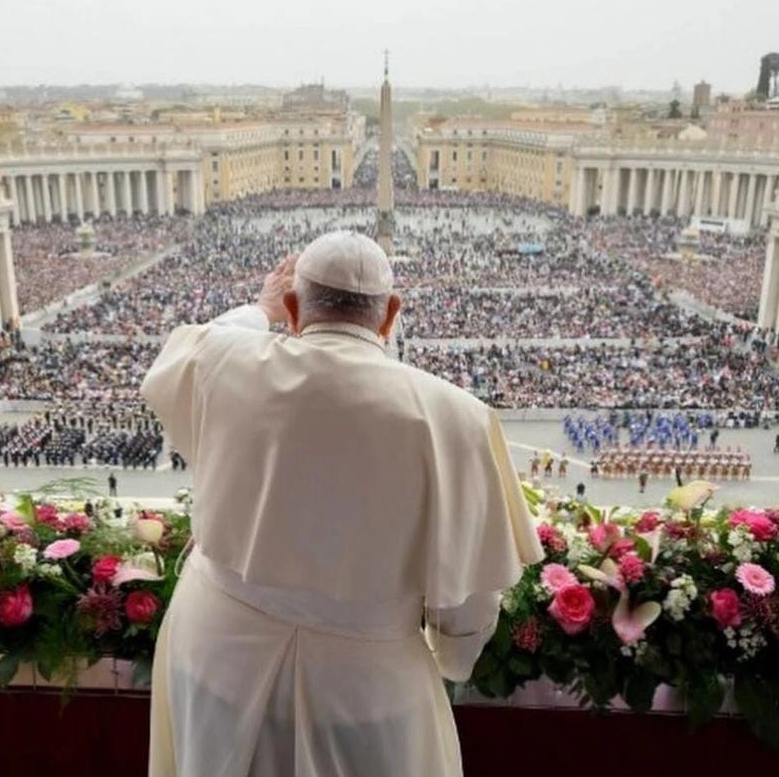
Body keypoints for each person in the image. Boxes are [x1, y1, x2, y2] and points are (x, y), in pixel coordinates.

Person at [141, 231, 542, 777]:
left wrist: (259, 311)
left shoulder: (224, 361)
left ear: (290, 307)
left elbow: (190, 349)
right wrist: (452, 660)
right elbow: (467, 606)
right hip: (363, 687)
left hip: (215, 654)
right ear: (390, 315)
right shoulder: (457, 418)